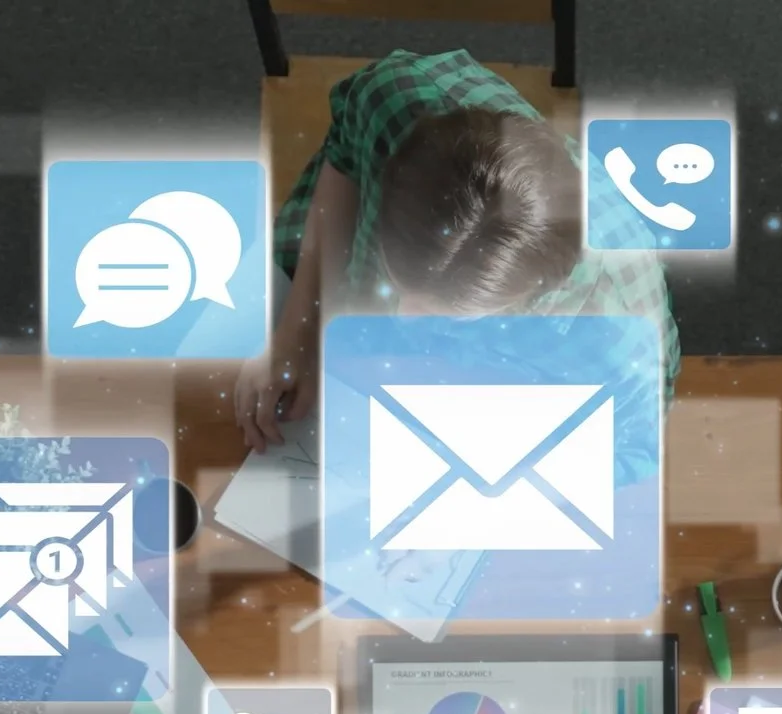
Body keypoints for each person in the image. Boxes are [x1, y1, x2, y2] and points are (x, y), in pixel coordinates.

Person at [235, 49, 680, 450]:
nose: (400, 316)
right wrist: (299, 332)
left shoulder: (617, 325)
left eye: (443, 312)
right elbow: (345, 155)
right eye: (398, 278)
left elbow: (634, 443)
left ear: (535, 294)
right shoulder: (393, 97)